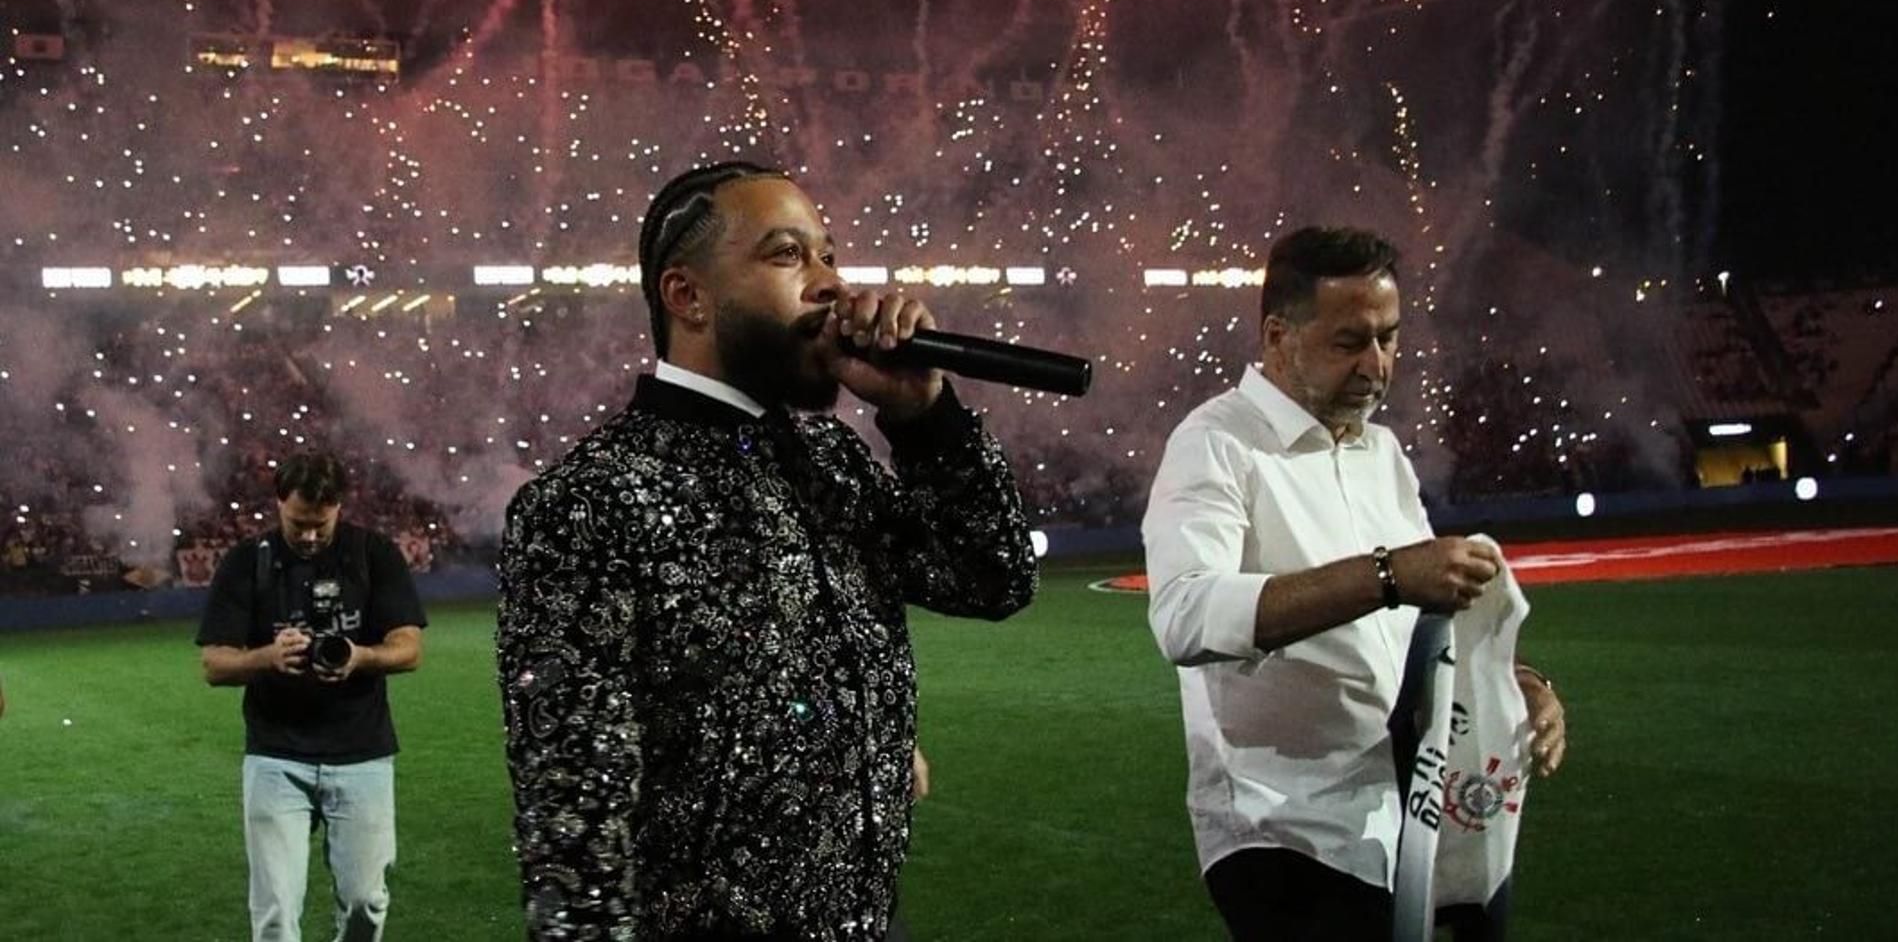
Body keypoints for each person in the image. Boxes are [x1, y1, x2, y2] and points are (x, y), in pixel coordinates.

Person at [497, 160, 1037, 940]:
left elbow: (994, 580)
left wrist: (926, 415)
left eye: (829, 254)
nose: (831, 285)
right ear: (688, 296)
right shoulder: (589, 499)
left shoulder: (833, 461)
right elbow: (573, 823)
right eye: (788, 256)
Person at [1142, 227, 1568, 942]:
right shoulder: (1215, 443)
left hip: (1403, 818)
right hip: (1281, 832)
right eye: (1351, 342)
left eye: (1390, 339)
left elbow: (1414, 634)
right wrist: (1388, 574)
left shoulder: (1382, 452)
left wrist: (1510, 682)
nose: (1378, 364)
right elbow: (1184, 614)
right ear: (1278, 336)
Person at [196, 452, 428, 942]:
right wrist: (268, 658)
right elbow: (214, 664)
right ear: (279, 502)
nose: (307, 536)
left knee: (366, 903)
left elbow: (409, 649)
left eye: (319, 525)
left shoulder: (373, 553)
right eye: (298, 523)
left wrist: (359, 656)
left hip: (362, 752)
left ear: (339, 507)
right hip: (276, 756)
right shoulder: (247, 560)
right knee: (276, 913)